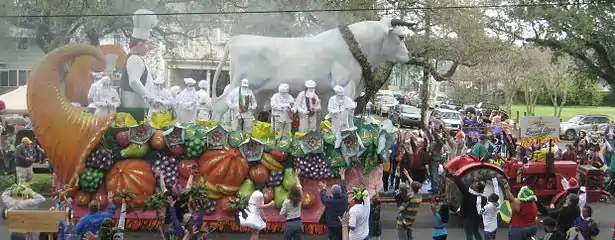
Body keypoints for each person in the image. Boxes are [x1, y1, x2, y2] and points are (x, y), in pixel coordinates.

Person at [120, 9, 158, 121]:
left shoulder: (133, 58)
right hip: (135, 110)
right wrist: (150, 98)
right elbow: (134, 81)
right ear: (140, 44)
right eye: (146, 44)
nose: (147, 47)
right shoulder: (135, 59)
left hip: (137, 108)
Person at [319, 168, 348, 240]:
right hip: (342, 224)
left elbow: (323, 197)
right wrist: (342, 176)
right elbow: (344, 187)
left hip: (332, 226)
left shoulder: (329, 201)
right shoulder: (345, 198)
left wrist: (324, 188)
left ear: (332, 193)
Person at [396, 171, 422, 240]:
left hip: (403, 220)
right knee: (409, 236)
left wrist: (398, 203)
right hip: (411, 220)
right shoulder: (419, 196)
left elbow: (401, 208)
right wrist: (407, 175)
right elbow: (414, 185)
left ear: (411, 188)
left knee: (402, 237)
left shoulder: (409, 198)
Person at [280, 170, 303, 240]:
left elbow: (282, 213)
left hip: (289, 224)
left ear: (290, 193)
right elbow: (299, 186)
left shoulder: (286, 201)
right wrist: (296, 175)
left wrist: (286, 214)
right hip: (298, 223)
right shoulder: (300, 199)